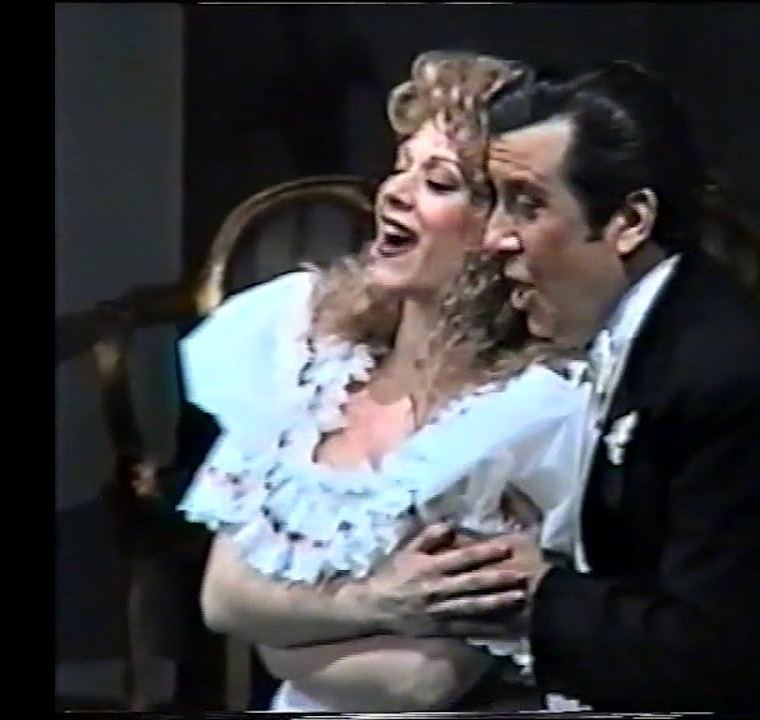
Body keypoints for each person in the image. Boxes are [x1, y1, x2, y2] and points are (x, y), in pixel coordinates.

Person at [378, 61, 760, 712]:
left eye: (528, 204)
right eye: (497, 201)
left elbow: (717, 656)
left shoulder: (732, 382)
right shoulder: (637, 335)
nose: (496, 237)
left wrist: (537, 594)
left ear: (630, 220)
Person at [176, 50, 593, 712]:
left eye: (439, 182)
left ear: (502, 229)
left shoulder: (527, 415)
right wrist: (373, 603)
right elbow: (223, 599)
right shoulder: (310, 359)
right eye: (401, 166)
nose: (394, 192)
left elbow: (417, 683)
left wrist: (281, 632)